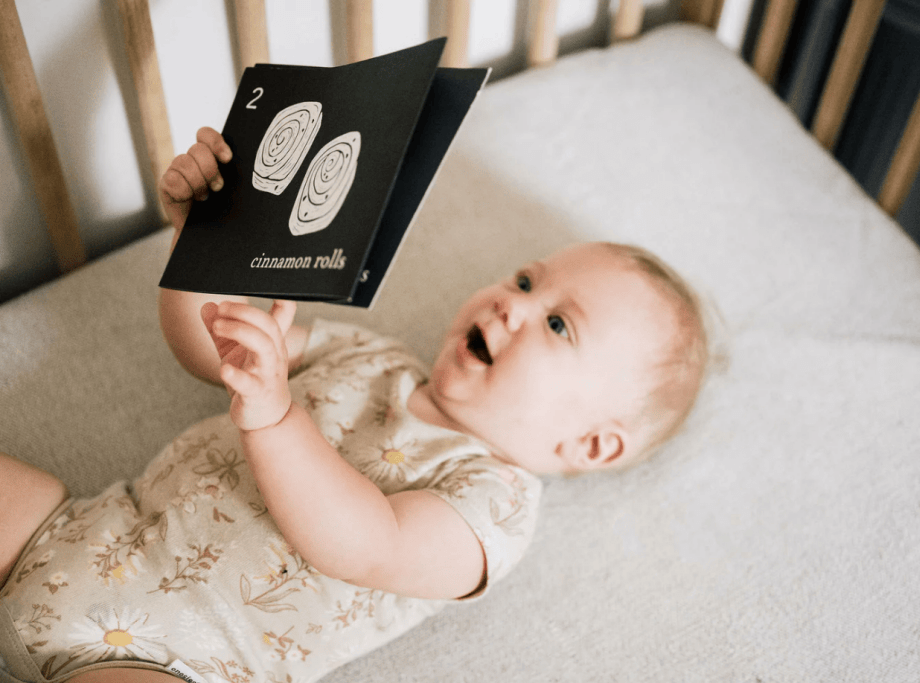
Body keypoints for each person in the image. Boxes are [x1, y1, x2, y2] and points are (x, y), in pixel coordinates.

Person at [0, 128, 708, 683]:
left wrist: (278, 416)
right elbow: (217, 349)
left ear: (590, 444)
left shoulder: (496, 503)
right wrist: (200, 247)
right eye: (526, 280)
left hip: (181, 654)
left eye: (558, 323)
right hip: (81, 533)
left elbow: (368, 541)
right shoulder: (372, 353)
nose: (512, 302)